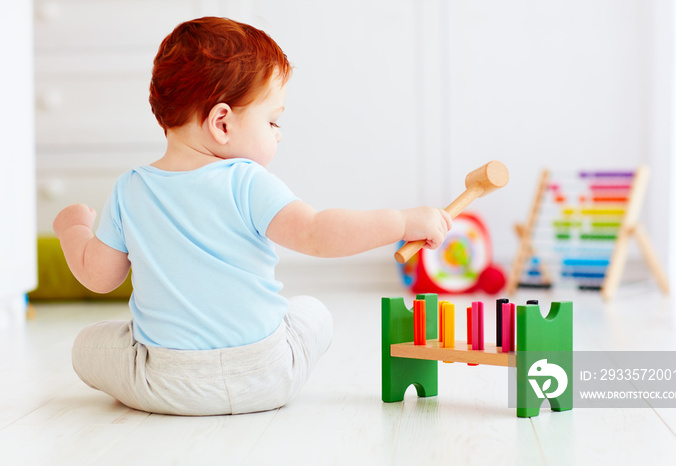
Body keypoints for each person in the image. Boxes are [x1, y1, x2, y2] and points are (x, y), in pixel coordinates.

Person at [53, 16, 452, 416]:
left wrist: (73, 228)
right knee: (313, 312)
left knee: (87, 345)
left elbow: (99, 277)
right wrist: (401, 223)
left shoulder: (131, 189)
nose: (278, 133)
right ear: (221, 123)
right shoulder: (246, 180)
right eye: (273, 120)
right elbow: (317, 233)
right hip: (269, 375)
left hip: (166, 384)